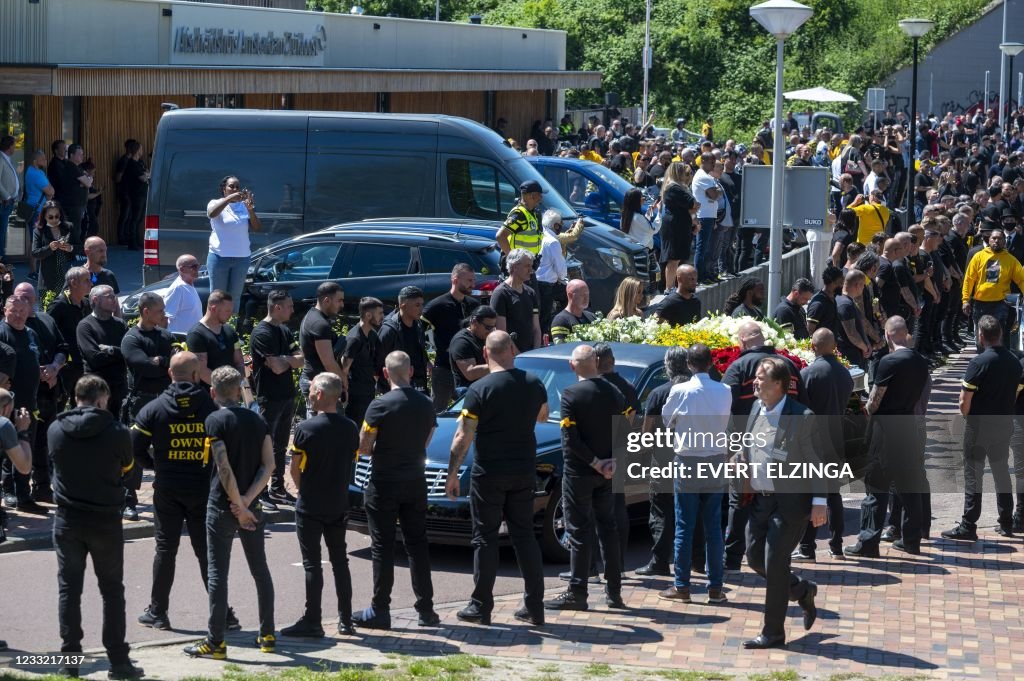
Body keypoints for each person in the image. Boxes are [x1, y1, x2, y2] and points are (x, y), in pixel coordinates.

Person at [132, 352, 240, 633]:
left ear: (169, 374)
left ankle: (158, 613)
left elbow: (134, 447)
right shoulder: (212, 408)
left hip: (167, 489)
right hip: (204, 490)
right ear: (196, 375)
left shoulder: (153, 409)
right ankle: (224, 615)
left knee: (165, 550)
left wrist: (156, 465)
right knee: (207, 553)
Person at [446, 331, 549, 626]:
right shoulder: (534, 383)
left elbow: (462, 436)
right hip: (524, 470)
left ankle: (481, 606)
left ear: (485, 353)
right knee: (525, 536)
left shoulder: (479, 389)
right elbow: (543, 415)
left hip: (489, 472)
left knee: (485, 538)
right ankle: (534, 605)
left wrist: (452, 474)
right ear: (512, 350)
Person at [49, 375, 144, 679]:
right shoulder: (117, 433)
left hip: (68, 519)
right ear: (103, 398)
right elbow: (130, 473)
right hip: (105, 519)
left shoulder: (55, 430)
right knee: (112, 590)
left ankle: (69, 661)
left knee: (69, 589)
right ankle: (118, 662)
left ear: (76, 397)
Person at [184, 366, 276, 660]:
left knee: (217, 574)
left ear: (213, 392)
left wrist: (237, 504)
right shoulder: (258, 421)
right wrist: (248, 503)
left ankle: (216, 642)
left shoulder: (214, 420)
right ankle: (268, 634)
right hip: (252, 506)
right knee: (260, 570)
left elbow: (223, 468)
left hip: (222, 506)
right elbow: (270, 465)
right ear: (238, 390)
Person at [740, 357, 825, 650]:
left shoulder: (803, 417)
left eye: (761, 378)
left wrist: (819, 502)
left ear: (779, 385)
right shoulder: (755, 408)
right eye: (756, 377)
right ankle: (802, 590)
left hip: (790, 504)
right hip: (760, 500)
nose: (755, 382)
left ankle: (773, 633)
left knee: (775, 563)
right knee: (754, 558)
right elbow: (749, 445)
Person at [353, 351, 440, 630]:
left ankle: (381, 609)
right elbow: (428, 438)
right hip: (415, 480)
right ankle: (426, 610)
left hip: (384, 482)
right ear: (412, 371)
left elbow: (364, 447)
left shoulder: (378, 406)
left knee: (382, 546)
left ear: (385, 373)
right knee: (417, 545)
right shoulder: (426, 403)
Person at [544, 344, 630, 612]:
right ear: (595, 362)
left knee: (580, 531)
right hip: (608, 472)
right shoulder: (614, 392)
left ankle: (578, 590)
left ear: (572, 366)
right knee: (609, 530)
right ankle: (614, 593)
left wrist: (595, 463)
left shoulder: (570, 394)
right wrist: (613, 461)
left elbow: (570, 439)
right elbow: (626, 429)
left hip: (580, 473)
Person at [281, 372, 359, 638]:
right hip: (338, 502)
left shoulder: (305, 429)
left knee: (312, 564)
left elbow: (293, 470)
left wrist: (304, 490)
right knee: (340, 561)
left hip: (311, 504)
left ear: (322, 394)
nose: (310, 394)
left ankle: (313, 620)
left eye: (312, 390)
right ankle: (346, 619)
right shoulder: (350, 427)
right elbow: (352, 461)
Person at [845, 317, 930, 558]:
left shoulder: (888, 362)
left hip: (885, 430)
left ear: (888, 334)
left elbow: (875, 400)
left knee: (876, 486)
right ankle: (911, 540)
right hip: (908, 428)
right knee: (909, 486)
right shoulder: (921, 362)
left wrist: (865, 409)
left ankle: (868, 541)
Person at [658, 343, 730, 605]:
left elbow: (667, 419)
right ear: (710, 364)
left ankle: (682, 586)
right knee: (713, 527)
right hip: (715, 461)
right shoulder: (725, 390)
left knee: (684, 526)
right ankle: (715, 587)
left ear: (689, 365)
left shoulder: (680, 390)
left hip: (688, 459)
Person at [942, 315, 1021, 540]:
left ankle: (969, 524)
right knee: (1001, 471)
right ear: (1001, 334)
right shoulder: (1014, 362)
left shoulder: (978, 363)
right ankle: (1006, 521)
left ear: (980, 335)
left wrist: (965, 415)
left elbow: (964, 399)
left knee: (973, 474)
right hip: (1003, 423)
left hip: (978, 426)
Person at [793, 329, 854, 561]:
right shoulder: (845, 375)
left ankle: (807, 547)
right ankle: (837, 546)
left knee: (812, 493)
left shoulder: (808, 373)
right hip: (836, 437)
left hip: (813, 440)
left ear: (813, 346)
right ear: (834, 346)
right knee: (833, 494)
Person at [635, 347, 690, 577]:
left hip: (663, 461)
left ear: (667, 367)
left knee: (661, 513)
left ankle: (660, 561)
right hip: (692, 458)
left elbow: (647, 433)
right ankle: (690, 560)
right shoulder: (695, 391)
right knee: (688, 513)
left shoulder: (658, 393)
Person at [119, 292, 174, 519]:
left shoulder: (165, 336)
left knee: (167, 449)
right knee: (134, 452)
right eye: (160, 310)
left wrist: (160, 362)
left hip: (165, 399)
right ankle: (128, 501)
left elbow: (176, 361)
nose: (163, 314)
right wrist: (161, 362)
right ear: (146, 311)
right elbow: (143, 365)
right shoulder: (131, 338)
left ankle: (166, 498)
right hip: (141, 400)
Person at [248, 289, 302, 510]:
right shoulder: (262, 333)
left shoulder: (284, 331)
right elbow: (277, 367)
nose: (292, 310)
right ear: (277, 307)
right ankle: (259, 493)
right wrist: (289, 360)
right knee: (264, 447)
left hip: (287, 396)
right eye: (289, 306)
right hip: (269, 398)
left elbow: (302, 359)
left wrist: (286, 360)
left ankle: (277, 488)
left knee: (280, 446)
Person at [12, 283, 66, 504]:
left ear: (35, 299)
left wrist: (55, 367)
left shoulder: (46, 320)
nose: (24, 302)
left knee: (44, 443)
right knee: (19, 442)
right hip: (23, 395)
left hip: (48, 391)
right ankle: (15, 490)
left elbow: (63, 348)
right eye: (19, 297)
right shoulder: (10, 325)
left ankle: (43, 487)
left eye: (28, 297)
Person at [0, 297, 43, 515]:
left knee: (26, 448)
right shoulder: (2, 333)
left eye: (22, 311)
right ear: (4, 311)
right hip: (6, 405)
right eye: (13, 311)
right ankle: (9, 491)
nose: (18, 315)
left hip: (29, 403)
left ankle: (24, 495)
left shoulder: (30, 333)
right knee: (9, 450)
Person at [422, 265, 480, 412]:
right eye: (469, 280)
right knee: (438, 412)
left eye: (474, 280)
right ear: (455, 280)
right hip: (444, 368)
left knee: (470, 411)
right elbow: (418, 334)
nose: (473, 284)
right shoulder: (436, 306)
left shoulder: (473, 305)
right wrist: (426, 360)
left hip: (470, 367)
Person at [206, 176, 260, 313]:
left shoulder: (244, 206)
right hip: (219, 257)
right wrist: (229, 199)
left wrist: (251, 210)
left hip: (241, 258)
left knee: (234, 297)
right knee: (217, 297)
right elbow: (212, 213)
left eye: (237, 187)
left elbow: (257, 227)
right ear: (224, 189)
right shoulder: (215, 203)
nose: (235, 189)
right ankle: (214, 329)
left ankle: (230, 329)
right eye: (231, 186)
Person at [962, 229, 1024, 341]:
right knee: (981, 337)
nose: (996, 241)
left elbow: (1021, 280)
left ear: (1004, 241)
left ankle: (998, 357)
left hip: (1000, 303)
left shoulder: (1011, 260)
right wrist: (965, 300)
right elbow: (969, 279)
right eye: (994, 238)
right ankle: (983, 357)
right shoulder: (978, 257)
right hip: (980, 303)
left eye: (1000, 239)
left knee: (998, 336)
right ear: (988, 240)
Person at [298, 282, 346, 412]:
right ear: (326, 300)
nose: (342, 304)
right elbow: (329, 362)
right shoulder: (319, 324)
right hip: (321, 386)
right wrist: (344, 382)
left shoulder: (312, 316)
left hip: (316, 382)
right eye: (339, 300)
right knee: (326, 428)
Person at [535, 211, 585, 336]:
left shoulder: (541, 236)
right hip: (548, 284)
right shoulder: (553, 242)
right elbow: (561, 269)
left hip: (537, 281)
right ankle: (564, 326)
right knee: (569, 299)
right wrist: (563, 279)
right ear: (555, 226)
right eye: (560, 225)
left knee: (541, 315)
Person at [377, 285, 431, 394]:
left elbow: (417, 348)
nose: (421, 309)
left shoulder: (418, 325)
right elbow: (377, 362)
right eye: (417, 305)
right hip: (396, 388)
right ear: (403, 306)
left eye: (422, 304)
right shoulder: (389, 330)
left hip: (419, 384)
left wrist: (427, 362)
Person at [48, 267, 91, 400]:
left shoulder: (86, 303)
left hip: (83, 364)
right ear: (73, 283)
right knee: (60, 405)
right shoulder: (58, 305)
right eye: (87, 280)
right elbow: (48, 333)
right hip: (65, 368)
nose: (91, 283)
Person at [186, 290, 244, 389]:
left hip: (231, 392)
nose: (231, 315)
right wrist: (225, 389)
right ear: (213, 309)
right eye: (227, 311)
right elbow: (202, 371)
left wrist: (238, 382)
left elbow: (239, 362)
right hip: (211, 394)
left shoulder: (229, 330)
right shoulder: (196, 334)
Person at [341, 297, 383, 426]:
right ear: (368, 315)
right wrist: (345, 393)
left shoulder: (372, 334)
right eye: (380, 313)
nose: (383, 316)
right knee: (356, 430)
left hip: (368, 391)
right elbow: (344, 369)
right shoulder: (354, 339)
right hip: (355, 396)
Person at [491, 249, 541, 353]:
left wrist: (536, 352)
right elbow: (501, 332)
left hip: (531, 354)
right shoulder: (500, 293)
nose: (531, 270)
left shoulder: (530, 292)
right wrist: (518, 356)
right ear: (514, 266)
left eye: (531, 266)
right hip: (511, 356)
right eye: (527, 266)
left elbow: (536, 328)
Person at [659, 162, 698, 287]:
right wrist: (691, 210)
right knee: (673, 258)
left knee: (677, 258)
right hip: (674, 225)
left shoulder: (676, 187)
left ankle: (673, 286)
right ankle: (668, 288)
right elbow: (694, 204)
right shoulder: (674, 188)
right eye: (683, 171)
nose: (685, 174)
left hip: (679, 224)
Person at [31, 201, 77, 296]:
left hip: (67, 276)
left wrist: (71, 248)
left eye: (57, 216)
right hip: (48, 279)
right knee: (47, 309)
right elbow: (35, 253)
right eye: (50, 217)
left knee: (68, 309)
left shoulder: (69, 227)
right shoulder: (39, 231)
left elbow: (80, 246)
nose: (54, 219)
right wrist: (50, 248)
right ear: (44, 216)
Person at [448, 305, 496, 390]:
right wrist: (499, 365)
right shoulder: (461, 341)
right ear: (474, 322)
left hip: (485, 389)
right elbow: (470, 373)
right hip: (468, 393)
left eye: (493, 327)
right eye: (488, 327)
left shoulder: (486, 336)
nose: (491, 331)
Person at [496, 180, 543, 261]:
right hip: (518, 268)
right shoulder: (519, 214)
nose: (541, 198)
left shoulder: (533, 213)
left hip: (528, 264)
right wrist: (514, 261)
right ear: (532, 195)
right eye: (539, 195)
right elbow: (500, 236)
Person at [835, 270, 872, 370]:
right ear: (857, 285)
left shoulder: (845, 301)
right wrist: (865, 348)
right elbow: (852, 333)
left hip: (853, 353)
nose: (864, 288)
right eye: (863, 285)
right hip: (849, 356)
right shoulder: (845, 304)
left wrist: (866, 343)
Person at [163, 254, 203, 335]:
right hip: (180, 340)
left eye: (198, 266)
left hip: (192, 338)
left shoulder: (189, 285)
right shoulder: (178, 288)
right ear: (182, 269)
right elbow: (164, 317)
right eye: (194, 267)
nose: (197, 269)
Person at [806, 265, 844, 336]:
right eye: (840, 282)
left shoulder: (833, 298)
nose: (842, 285)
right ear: (832, 283)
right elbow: (810, 330)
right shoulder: (818, 304)